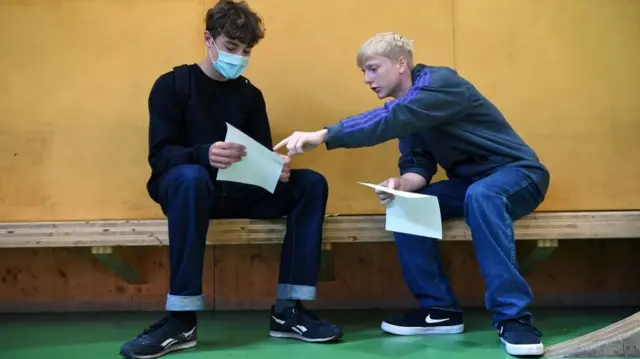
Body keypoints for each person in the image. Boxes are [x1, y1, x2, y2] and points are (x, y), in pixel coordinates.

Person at [273, 32, 550, 357]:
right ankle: (439, 310)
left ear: (401, 63)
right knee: (406, 207)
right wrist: (401, 185)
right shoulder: (408, 111)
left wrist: (323, 135)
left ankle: (514, 318)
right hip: (473, 184)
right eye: (363, 72)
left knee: (482, 196)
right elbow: (418, 165)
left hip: (519, 174)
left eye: (373, 69)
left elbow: (394, 119)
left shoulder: (441, 83)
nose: (367, 79)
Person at [119, 1, 343, 358]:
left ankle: (290, 310)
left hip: (238, 190)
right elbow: (160, 156)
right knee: (191, 178)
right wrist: (203, 153)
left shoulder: (250, 95)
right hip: (187, 190)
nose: (238, 57)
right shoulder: (172, 85)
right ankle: (181, 320)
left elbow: (259, 157)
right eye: (230, 47)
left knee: (311, 183)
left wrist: (276, 169)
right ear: (208, 39)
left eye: (246, 51)